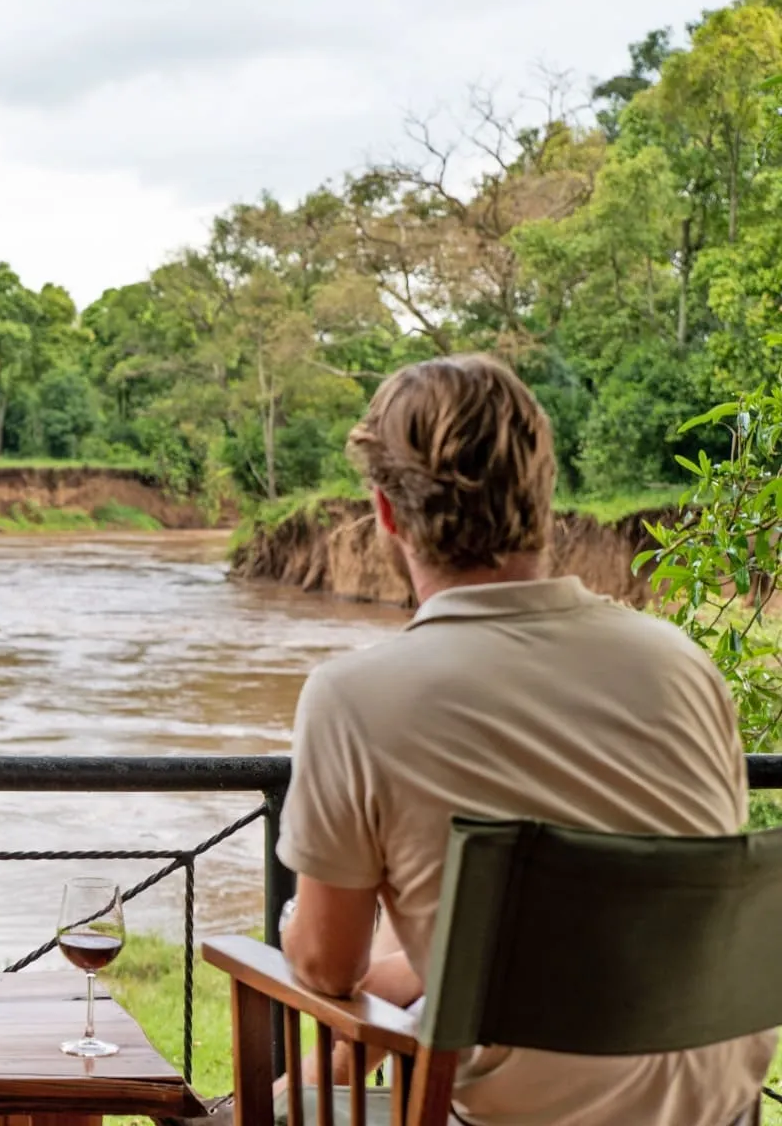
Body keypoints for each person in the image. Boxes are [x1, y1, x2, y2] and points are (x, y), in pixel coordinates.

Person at [276, 354, 772, 1125]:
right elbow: (667, 900)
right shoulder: (683, 664)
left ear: (386, 513)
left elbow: (325, 968)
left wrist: (310, 943)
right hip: (720, 1113)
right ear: (544, 495)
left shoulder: (355, 698)